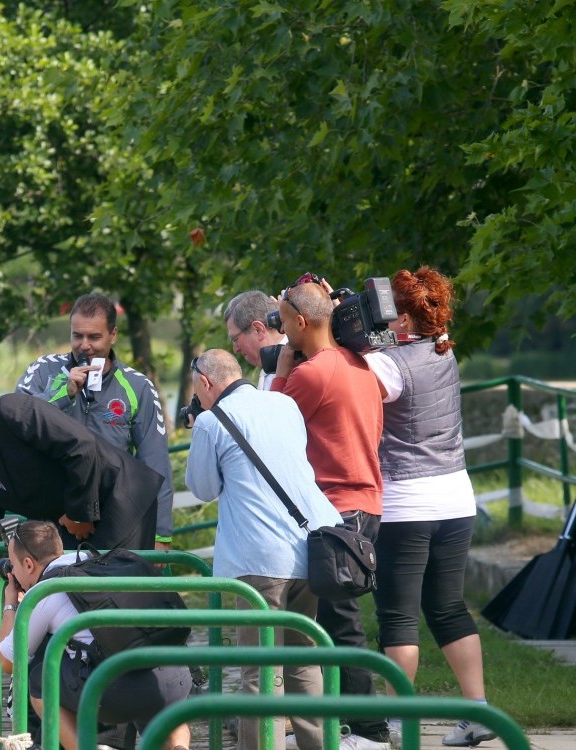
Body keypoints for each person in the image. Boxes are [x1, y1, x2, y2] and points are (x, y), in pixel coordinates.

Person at [363, 267, 496, 748]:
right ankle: (478, 711)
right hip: (457, 498)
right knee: (447, 607)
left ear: (399, 317)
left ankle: (399, 723)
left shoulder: (386, 366)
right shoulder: (444, 352)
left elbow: (353, 397)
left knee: (398, 616)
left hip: (406, 503)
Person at [185, 348, 343, 750]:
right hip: (311, 547)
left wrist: (197, 432)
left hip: (259, 559)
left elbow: (203, 489)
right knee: (304, 661)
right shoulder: (284, 403)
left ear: (205, 383)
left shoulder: (209, 421)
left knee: (260, 673)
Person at [270, 276, 390, 750]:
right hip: (366, 505)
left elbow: (270, 426)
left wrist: (281, 371)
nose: (282, 335)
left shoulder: (312, 374)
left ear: (301, 322)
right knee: (334, 621)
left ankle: (369, 731)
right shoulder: (360, 364)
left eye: (282, 324)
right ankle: (351, 724)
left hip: (336, 510)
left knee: (340, 623)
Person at [0, 393, 161, 592]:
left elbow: (81, 447)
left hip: (121, 495)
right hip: (74, 520)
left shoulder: (10, 411)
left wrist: (79, 514)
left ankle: (164, 664)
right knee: (75, 596)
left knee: (120, 594)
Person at [0, 520, 192, 750]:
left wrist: (10, 604)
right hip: (177, 678)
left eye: (13, 565)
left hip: (121, 696)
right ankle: (180, 747)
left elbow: (9, 661)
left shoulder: (45, 591)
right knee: (148, 674)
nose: (12, 571)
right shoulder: (98, 561)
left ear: (28, 564)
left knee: (41, 680)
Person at [15, 292, 174, 551]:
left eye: (94, 337)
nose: (84, 345)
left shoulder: (138, 386)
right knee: (49, 591)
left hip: (115, 519)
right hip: (49, 519)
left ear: (113, 335)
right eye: (77, 336)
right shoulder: (43, 370)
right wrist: (63, 394)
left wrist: (160, 535)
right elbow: (17, 424)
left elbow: (155, 465)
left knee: (107, 591)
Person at [224, 290, 287, 390]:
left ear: (258, 329)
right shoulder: (270, 367)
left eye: (235, 339)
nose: (235, 349)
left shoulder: (300, 361)